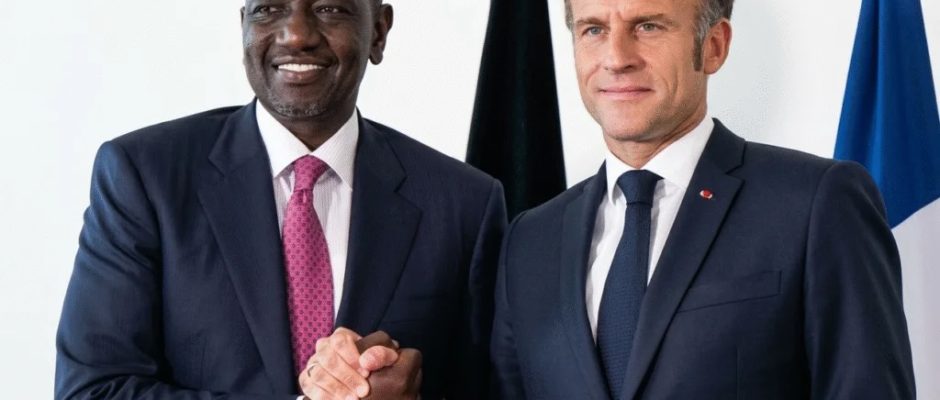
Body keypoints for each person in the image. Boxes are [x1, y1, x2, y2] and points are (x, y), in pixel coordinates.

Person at [54, 0, 506, 399]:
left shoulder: (464, 204)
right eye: (269, 9)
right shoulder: (145, 177)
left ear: (378, 32)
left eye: (330, 9)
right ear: (244, 28)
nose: (297, 35)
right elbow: (93, 389)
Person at [490, 0, 916, 398]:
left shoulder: (816, 203)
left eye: (648, 26)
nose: (616, 58)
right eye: (594, 30)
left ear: (714, 46)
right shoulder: (529, 241)